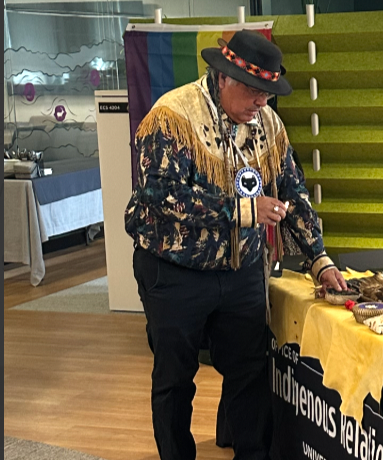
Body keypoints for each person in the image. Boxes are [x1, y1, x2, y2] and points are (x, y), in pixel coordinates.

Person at [125, 31, 347, 460]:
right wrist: (243, 210)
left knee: (249, 372)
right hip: (174, 271)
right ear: (223, 77)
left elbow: (293, 192)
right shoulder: (172, 116)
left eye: (268, 93)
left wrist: (318, 258)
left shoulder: (267, 123)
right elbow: (161, 196)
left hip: (241, 268)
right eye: (252, 91)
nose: (260, 102)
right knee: (175, 378)